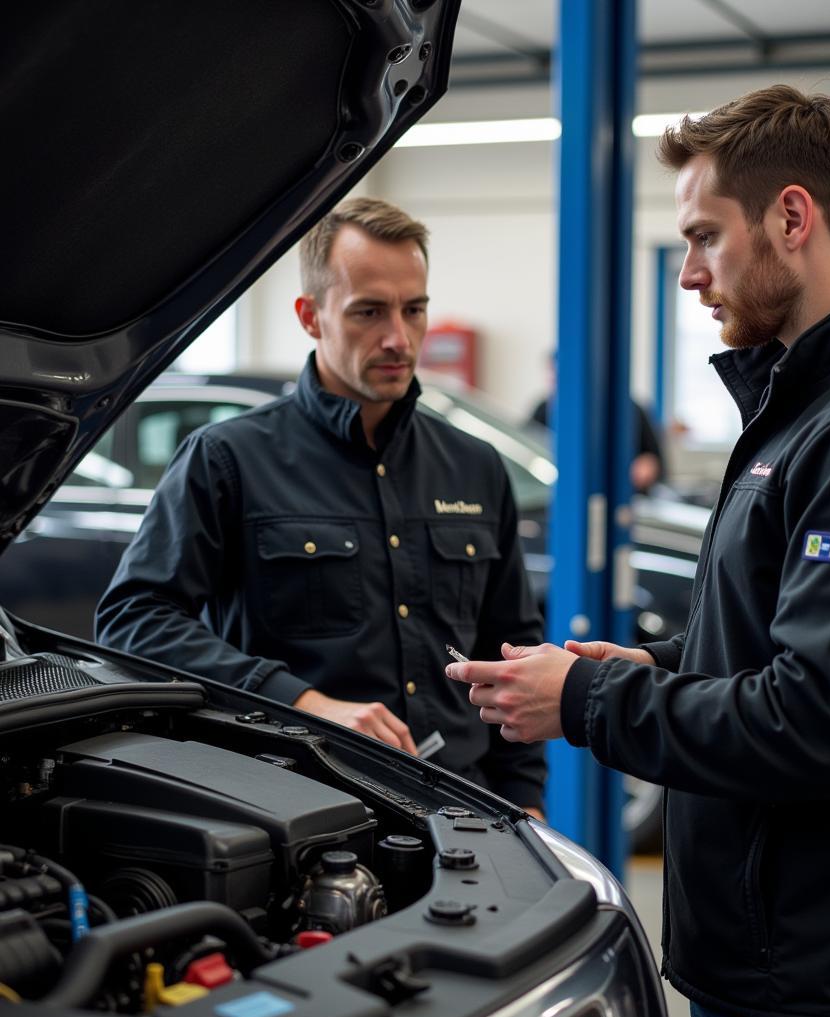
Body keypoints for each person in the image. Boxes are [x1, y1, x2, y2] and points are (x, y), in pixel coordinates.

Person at [446, 85, 830, 1017]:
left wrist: (588, 700)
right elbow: (785, 641)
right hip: (778, 958)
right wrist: (660, 665)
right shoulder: (810, 411)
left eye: (705, 235)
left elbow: (824, 721)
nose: (688, 273)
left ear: (792, 217)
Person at [96, 197, 546, 817]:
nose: (398, 337)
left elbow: (509, 651)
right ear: (310, 316)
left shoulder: (474, 465)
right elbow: (134, 619)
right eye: (369, 312)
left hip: (463, 805)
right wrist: (303, 701)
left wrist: (525, 797)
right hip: (297, 806)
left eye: (414, 310)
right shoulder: (227, 459)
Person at [527, 354, 665, 493]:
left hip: (622, 495)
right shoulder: (544, 410)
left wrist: (647, 466)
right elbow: (524, 452)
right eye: (555, 376)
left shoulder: (629, 410)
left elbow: (656, 461)